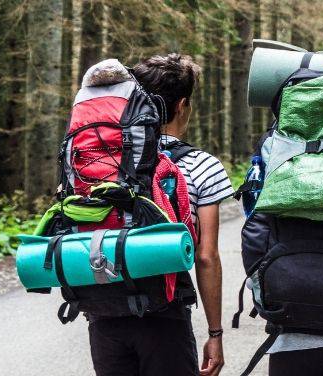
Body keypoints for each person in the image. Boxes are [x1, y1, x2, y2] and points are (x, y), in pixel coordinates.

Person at [85, 53, 232, 376]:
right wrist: (215, 334)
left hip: (104, 314)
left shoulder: (101, 161)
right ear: (182, 106)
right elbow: (206, 257)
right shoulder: (203, 166)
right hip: (165, 318)